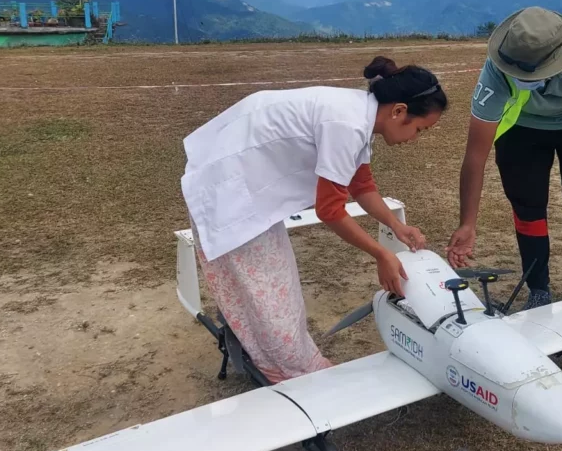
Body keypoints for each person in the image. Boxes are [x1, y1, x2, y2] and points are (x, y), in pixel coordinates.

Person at [181, 56, 448, 383]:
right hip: (230, 185)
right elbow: (330, 210)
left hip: (243, 179)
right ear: (399, 111)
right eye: (420, 129)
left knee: (266, 287)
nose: (414, 139)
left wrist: (396, 226)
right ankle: (294, 372)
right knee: (270, 292)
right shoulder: (347, 125)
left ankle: (276, 360)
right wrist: (381, 254)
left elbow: (360, 184)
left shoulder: (359, 117)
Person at [446, 6, 562, 309]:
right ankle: (539, 289)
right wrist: (468, 223)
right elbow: (475, 154)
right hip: (523, 129)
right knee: (528, 210)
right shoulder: (497, 66)